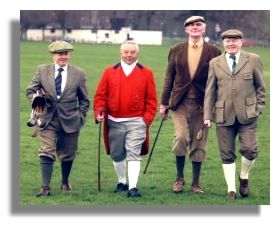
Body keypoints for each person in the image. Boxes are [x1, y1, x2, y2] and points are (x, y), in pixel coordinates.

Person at [159, 16, 221, 194]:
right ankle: (179, 178)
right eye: (191, 25)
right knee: (180, 138)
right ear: (186, 29)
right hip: (180, 103)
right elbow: (168, 78)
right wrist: (164, 103)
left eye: (198, 25)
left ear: (204, 28)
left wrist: (216, 106)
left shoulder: (214, 51)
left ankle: (196, 183)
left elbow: (218, 81)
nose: (194, 27)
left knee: (199, 143)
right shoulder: (176, 50)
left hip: (203, 105)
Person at [203, 29, 266, 200]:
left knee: (250, 150)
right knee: (226, 153)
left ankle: (244, 176)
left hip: (248, 114)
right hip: (223, 114)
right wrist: (207, 115)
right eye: (228, 41)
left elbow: (261, 87)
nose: (231, 44)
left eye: (234, 41)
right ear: (223, 43)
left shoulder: (253, 59)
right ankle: (231, 189)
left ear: (241, 42)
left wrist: (258, 108)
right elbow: (210, 91)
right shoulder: (215, 63)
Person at [94, 40, 157, 198]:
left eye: (133, 52)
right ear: (120, 53)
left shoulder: (146, 73)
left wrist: (145, 120)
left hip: (137, 121)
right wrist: (99, 112)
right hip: (114, 121)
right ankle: (122, 181)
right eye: (126, 52)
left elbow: (151, 100)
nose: (129, 55)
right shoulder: (109, 72)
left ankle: (133, 187)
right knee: (117, 154)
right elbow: (100, 97)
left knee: (133, 153)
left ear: (138, 53)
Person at [26, 40, 90, 197]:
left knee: (68, 153)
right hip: (47, 118)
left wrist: (80, 115)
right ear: (53, 55)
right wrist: (36, 98)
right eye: (60, 54)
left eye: (66, 53)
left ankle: (65, 181)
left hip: (71, 119)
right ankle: (45, 188)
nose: (63, 57)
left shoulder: (79, 73)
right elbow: (30, 90)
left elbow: (84, 100)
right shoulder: (42, 70)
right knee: (46, 150)